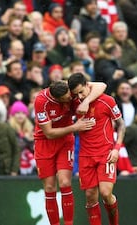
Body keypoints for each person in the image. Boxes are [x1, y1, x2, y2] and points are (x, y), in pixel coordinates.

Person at [33, 79, 106, 225]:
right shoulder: (41, 101)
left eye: (70, 95)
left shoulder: (70, 88)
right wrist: (75, 127)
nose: (71, 98)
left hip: (65, 142)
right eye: (66, 99)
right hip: (44, 142)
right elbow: (48, 133)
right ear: (56, 99)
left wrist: (86, 102)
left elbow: (101, 85)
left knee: (65, 182)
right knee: (49, 187)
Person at [68, 73, 125, 225]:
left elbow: (121, 124)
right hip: (86, 155)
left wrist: (116, 148)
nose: (79, 96)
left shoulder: (106, 100)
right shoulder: (74, 103)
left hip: (105, 153)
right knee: (90, 196)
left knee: (106, 193)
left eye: (81, 92)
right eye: (76, 94)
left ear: (88, 85)